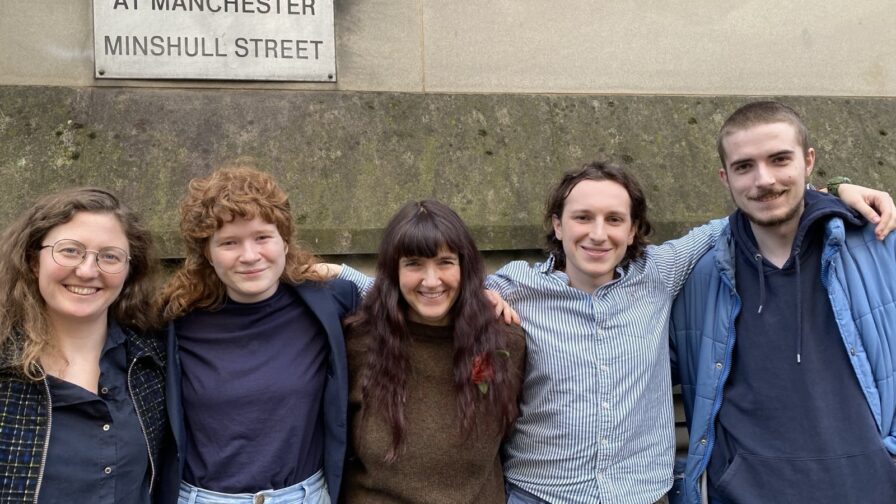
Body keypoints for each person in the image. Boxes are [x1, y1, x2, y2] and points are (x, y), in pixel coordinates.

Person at [331, 165, 894, 504]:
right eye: (581, 218)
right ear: (557, 225)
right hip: (540, 494)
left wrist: (835, 187)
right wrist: (314, 268)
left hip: (643, 495)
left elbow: (758, 204)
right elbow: (414, 286)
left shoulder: (662, 272)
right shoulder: (515, 288)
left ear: (633, 230)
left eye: (614, 220)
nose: (597, 234)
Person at [669, 101, 896, 503]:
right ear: (725, 177)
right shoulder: (698, 275)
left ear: (809, 162)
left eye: (779, 159)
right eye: (744, 166)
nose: (764, 179)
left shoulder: (880, 249)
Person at [157, 166, 359, 504]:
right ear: (207, 251)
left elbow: (427, 293)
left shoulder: (328, 301)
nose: (249, 256)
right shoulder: (176, 318)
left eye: (262, 237)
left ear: (284, 240)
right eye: (229, 242)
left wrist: (342, 270)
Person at [342, 200, 526, 503]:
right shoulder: (358, 344)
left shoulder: (504, 343)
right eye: (413, 263)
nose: (431, 280)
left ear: (464, 267)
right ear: (393, 270)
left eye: (445, 262)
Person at [0, 188, 167, 503]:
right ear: (34, 260)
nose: (88, 270)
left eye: (110, 256)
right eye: (70, 250)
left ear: (130, 271)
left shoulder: (151, 361)